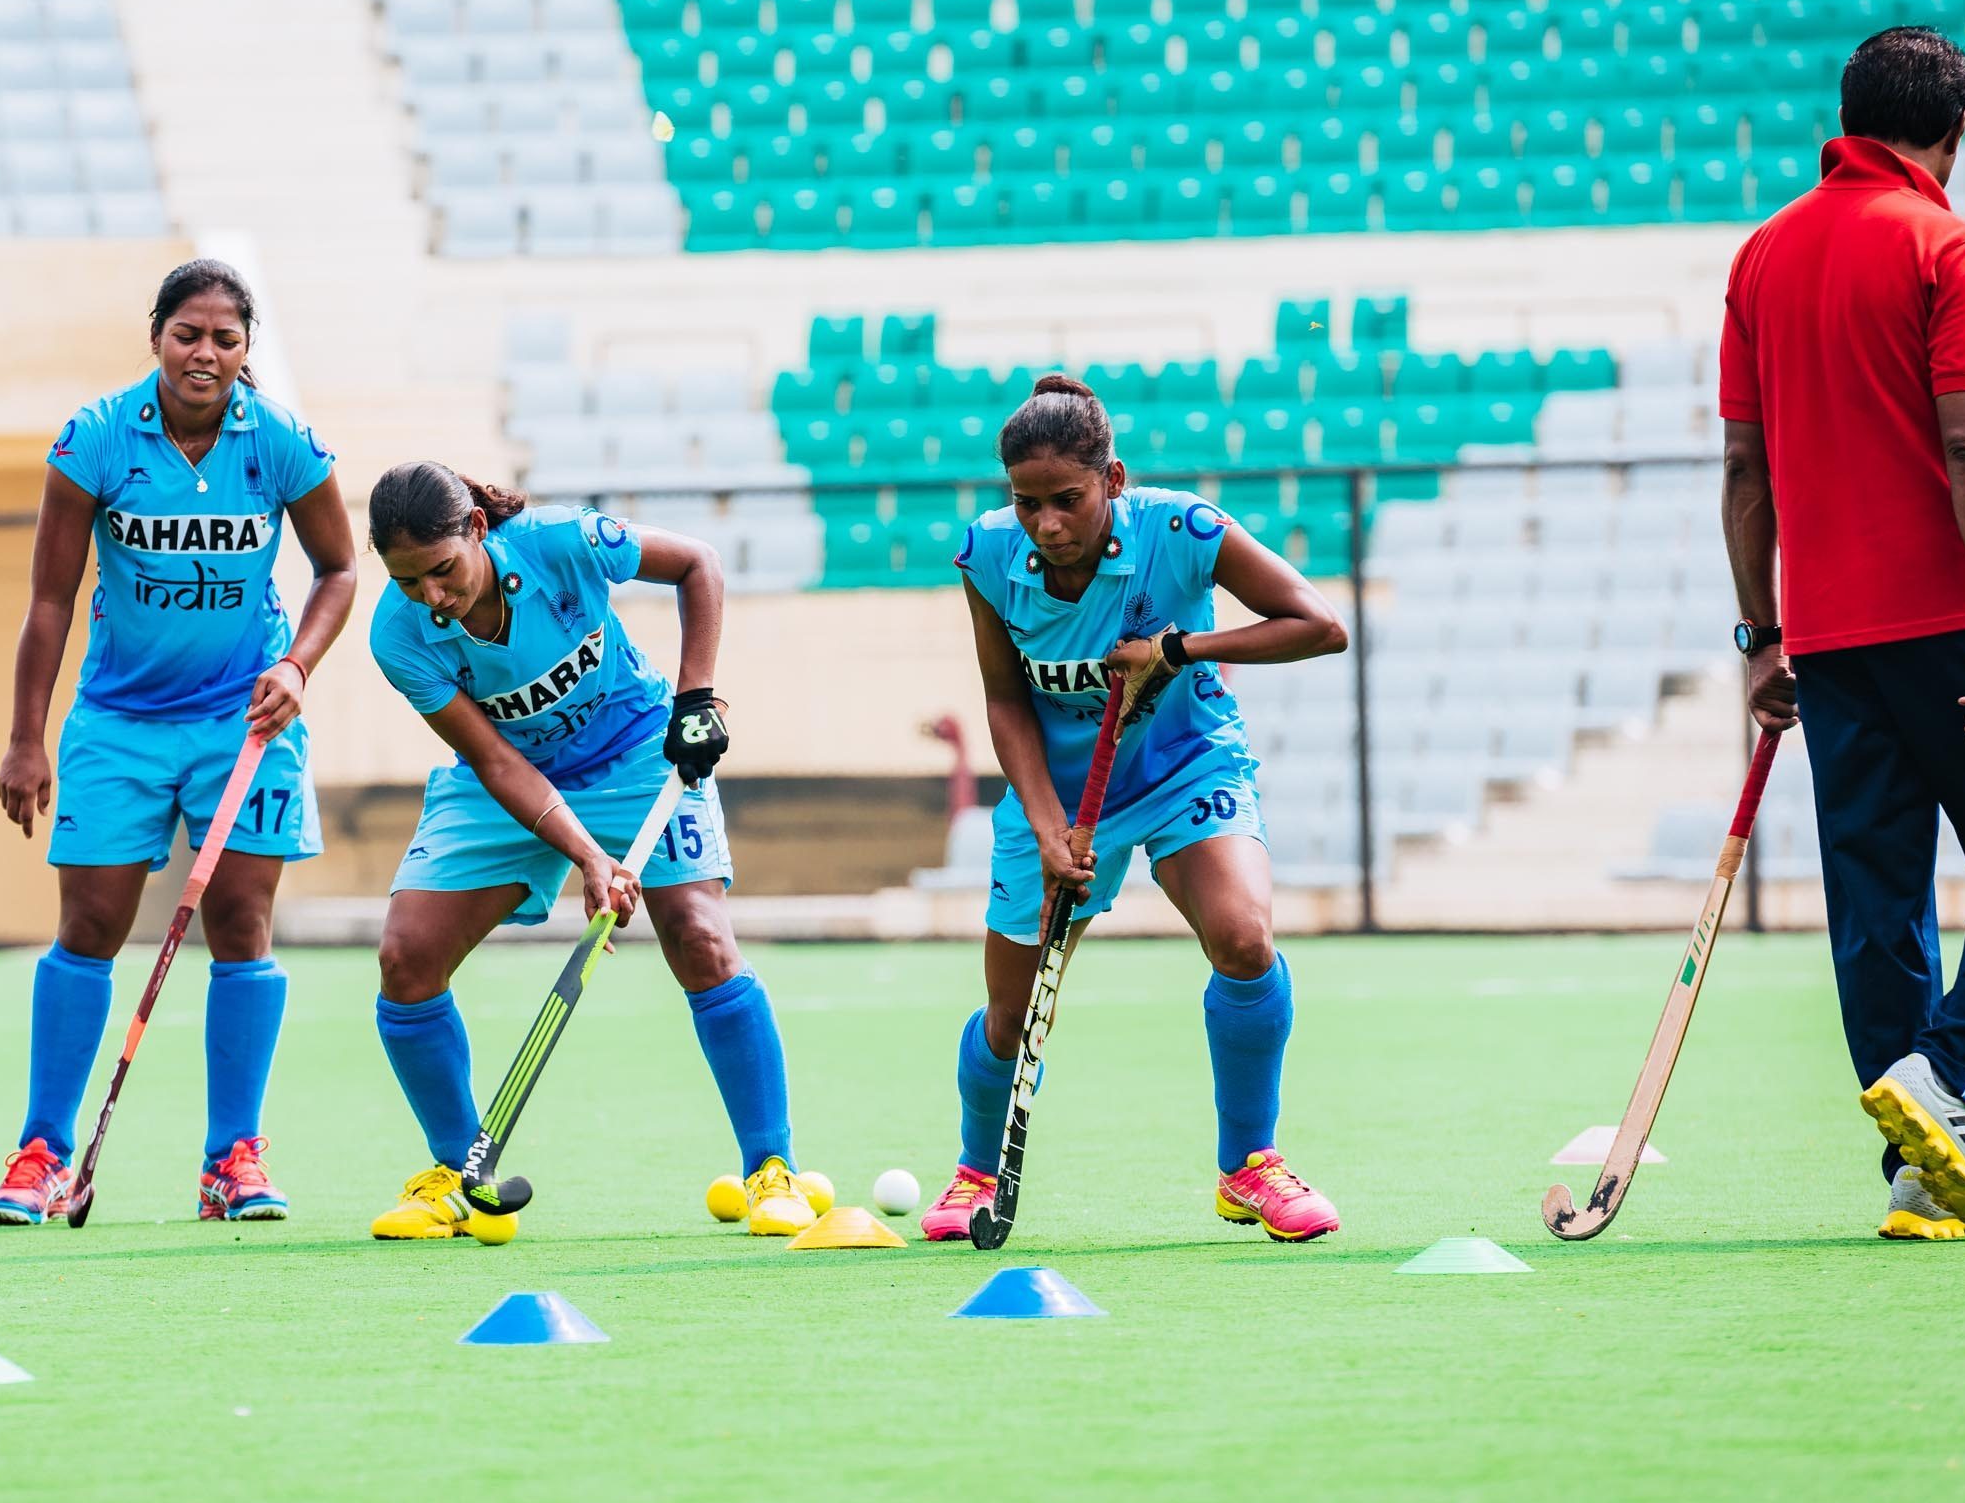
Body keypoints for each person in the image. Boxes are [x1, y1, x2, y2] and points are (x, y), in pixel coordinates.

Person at [1719, 25, 1965, 1242]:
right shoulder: (1949, 244)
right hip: (1949, 622)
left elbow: (1744, 467)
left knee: (1876, 898)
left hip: (1828, 640)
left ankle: (1918, 1174)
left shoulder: (1763, 256)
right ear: (1957, 126)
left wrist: (1763, 637)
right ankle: (1948, 1089)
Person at [919, 375, 1349, 1244]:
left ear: (1110, 481)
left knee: (1243, 936)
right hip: (1062, 797)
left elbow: (1317, 624)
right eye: (1027, 502)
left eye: (1066, 500)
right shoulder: (986, 556)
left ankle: (1248, 1167)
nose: (1046, 523)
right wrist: (1045, 829)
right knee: (1009, 1015)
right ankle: (973, 1171)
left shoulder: (1180, 530)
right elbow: (1005, 701)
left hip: (1186, 766)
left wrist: (1178, 648)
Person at [360, 461, 820, 1243]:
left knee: (701, 940)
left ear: (475, 529)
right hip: (506, 778)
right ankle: (456, 1175)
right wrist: (585, 855)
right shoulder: (397, 638)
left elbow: (697, 564)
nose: (432, 598)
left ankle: (769, 1168)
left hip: (638, 754)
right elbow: (498, 764)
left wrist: (697, 698)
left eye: (441, 572)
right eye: (409, 583)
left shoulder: (559, 540)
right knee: (406, 957)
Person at [0, 260, 355, 1225]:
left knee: (242, 924)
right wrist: (27, 737)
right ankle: (41, 1153)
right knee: (91, 927)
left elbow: (339, 570)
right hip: (119, 724)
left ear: (246, 349)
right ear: (156, 336)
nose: (205, 353)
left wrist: (298, 667)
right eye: (188, 334)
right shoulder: (96, 439)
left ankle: (231, 1158)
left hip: (246, 721)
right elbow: (49, 601)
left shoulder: (279, 443)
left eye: (225, 338)